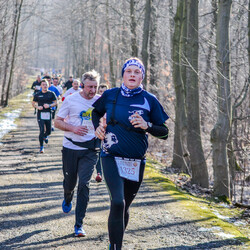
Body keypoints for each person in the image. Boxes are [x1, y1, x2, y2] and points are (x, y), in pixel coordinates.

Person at [92, 57, 169, 249]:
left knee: (125, 205)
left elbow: (164, 132)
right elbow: (95, 112)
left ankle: (116, 240)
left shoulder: (149, 100)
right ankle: (115, 246)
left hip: (135, 161)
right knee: (117, 201)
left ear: (142, 76)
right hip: (110, 156)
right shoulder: (110, 95)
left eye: (137, 72)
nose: (132, 75)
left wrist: (147, 125)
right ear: (123, 74)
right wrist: (97, 127)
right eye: (129, 71)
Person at [54, 70, 101, 237]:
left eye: (95, 87)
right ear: (82, 85)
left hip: (90, 150)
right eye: (90, 87)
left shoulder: (99, 102)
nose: (93, 90)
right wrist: (73, 128)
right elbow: (57, 122)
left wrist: (103, 129)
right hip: (70, 148)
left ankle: (79, 225)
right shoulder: (71, 100)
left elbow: (105, 122)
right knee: (70, 183)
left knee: (84, 185)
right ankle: (67, 198)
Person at [32, 79, 57, 153]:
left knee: (49, 131)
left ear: (48, 85)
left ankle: (45, 136)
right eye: (43, 85)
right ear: (41, 86)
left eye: (46, 84)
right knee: (42, 129)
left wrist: (49, 105)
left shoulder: (51, 93)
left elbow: (56, 102)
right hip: (40, 114)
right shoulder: (38, 94)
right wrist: (37, 107)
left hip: (48, 113)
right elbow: (33, 103)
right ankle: (41, 147)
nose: (45, 86)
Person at [95, 83, 109, 182]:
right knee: (99, 151)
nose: (102, 94)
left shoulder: (111, 103)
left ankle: (108, 173)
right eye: (100, 92)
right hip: (98, 131)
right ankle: (99, 173)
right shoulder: (95, 103)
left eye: (104, 92)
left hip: (109, 132)